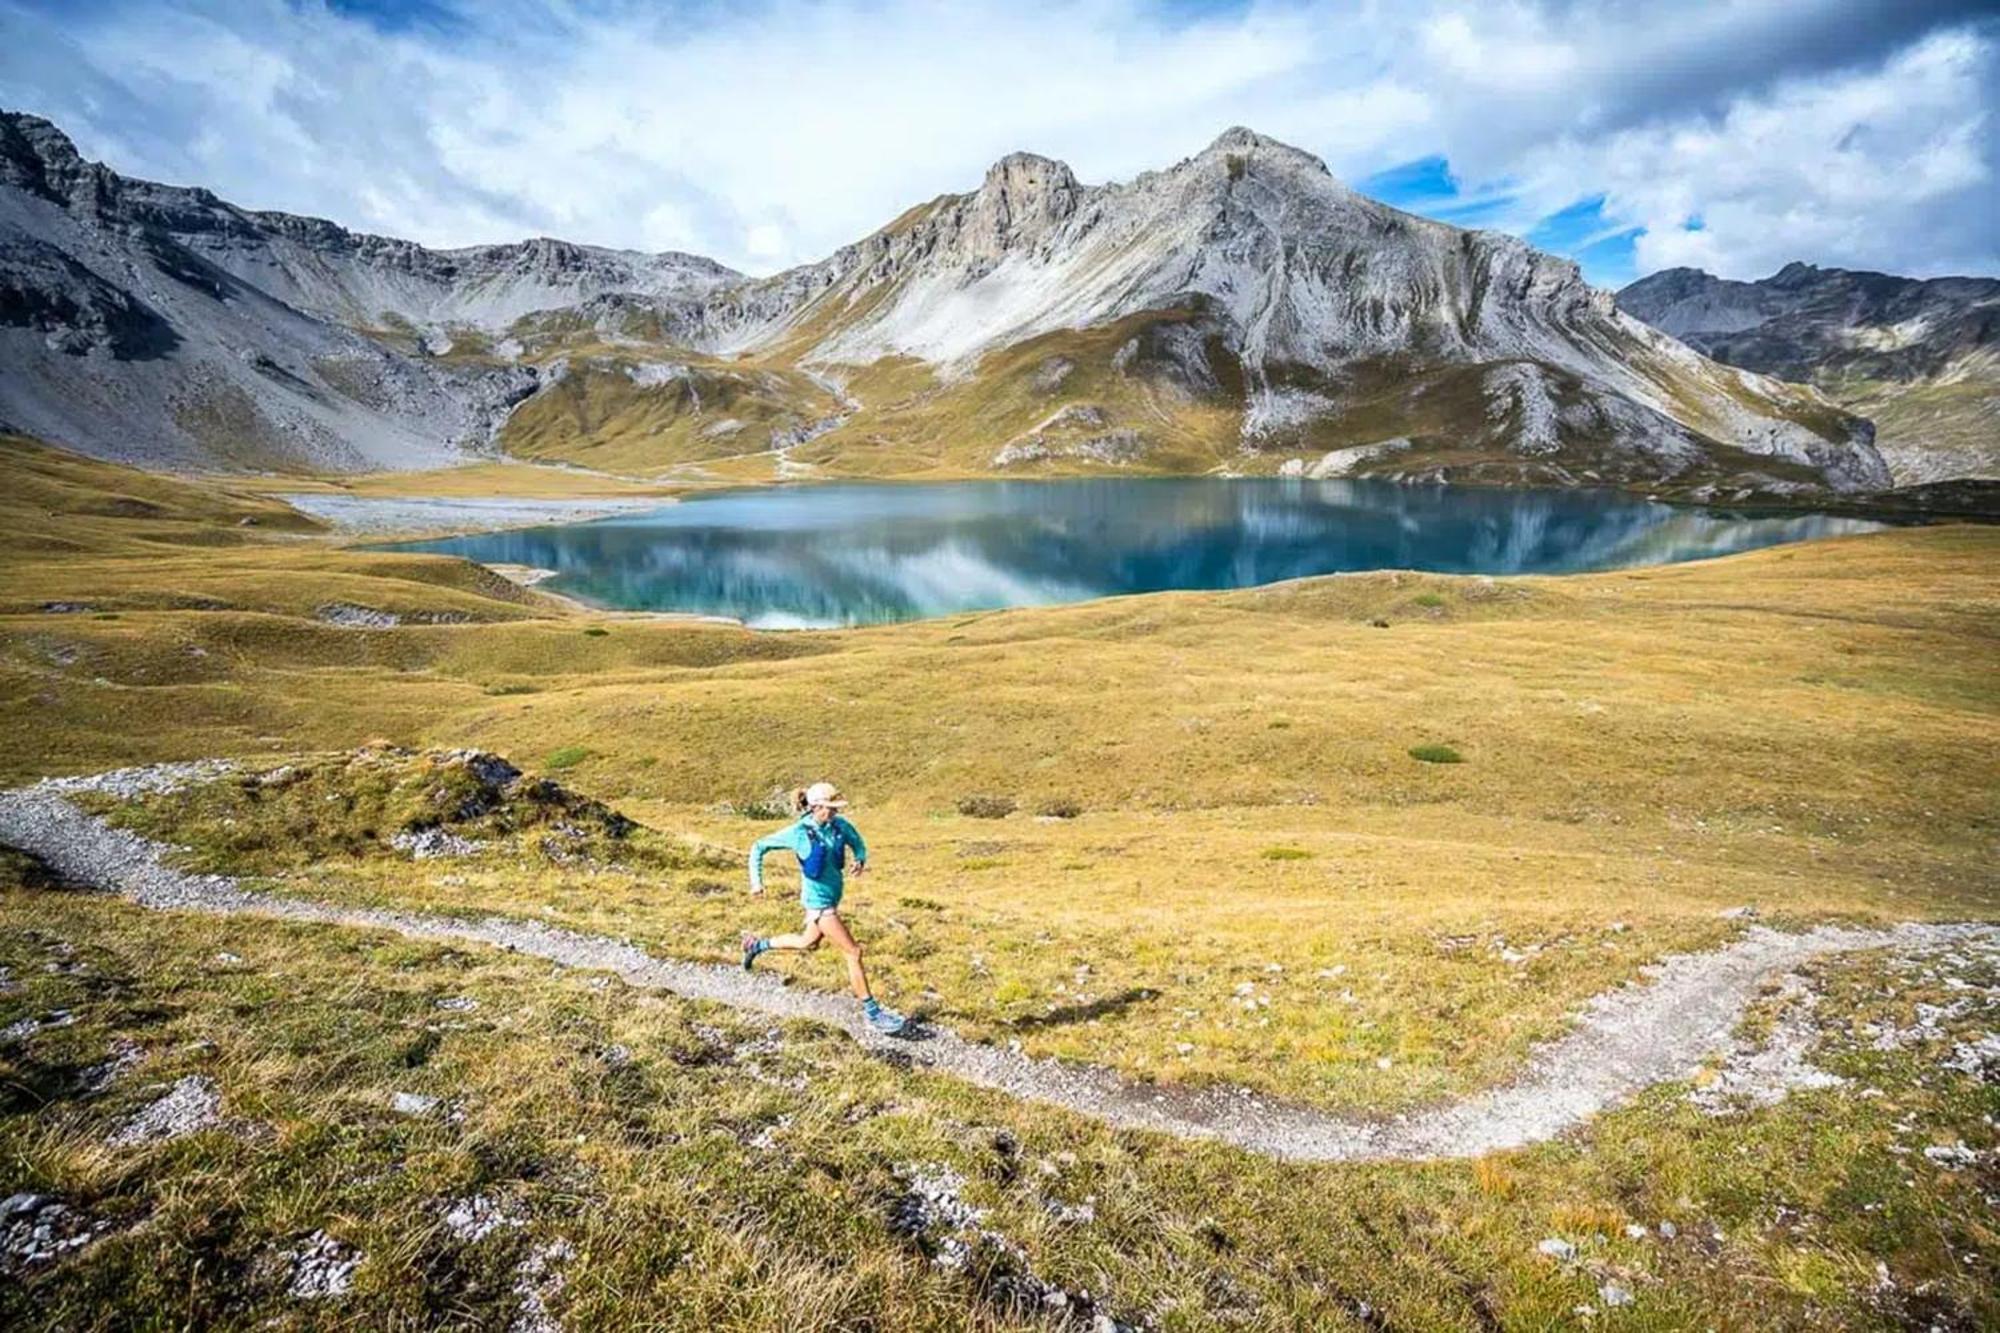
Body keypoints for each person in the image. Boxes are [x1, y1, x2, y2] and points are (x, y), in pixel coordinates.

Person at [741, 781, 906, 1035]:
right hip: (819, 904)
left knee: (808, 942)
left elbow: (858, 842)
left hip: (833, 898)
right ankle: (873, 1013)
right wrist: (756, 882)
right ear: (816, 807)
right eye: (830, 808)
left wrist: (860, 858)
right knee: (854, 952)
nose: (834, 812)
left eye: (835, 808)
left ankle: (756, 946)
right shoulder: (798, 832)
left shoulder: (839, 825)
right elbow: (758, 847)